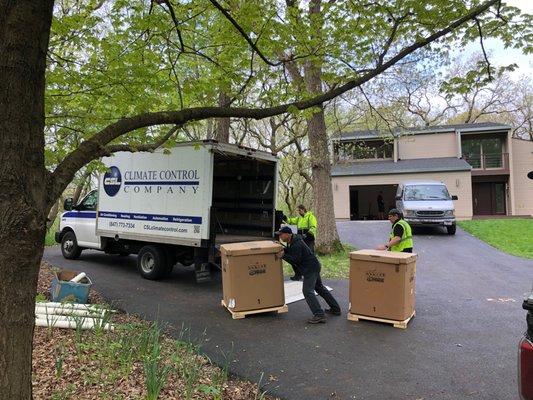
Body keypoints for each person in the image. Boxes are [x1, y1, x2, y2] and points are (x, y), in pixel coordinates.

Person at [275, 226, 341, 324]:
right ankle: (335, 309)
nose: (280, 236)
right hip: (313, 266)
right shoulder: (293, 241)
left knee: (307, 291)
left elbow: (295, 260)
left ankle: (319, 315)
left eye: (281, 234)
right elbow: (294, 253)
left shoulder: (296, 243)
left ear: (288, 234)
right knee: (319, 288)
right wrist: (283, 247)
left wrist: (283, 255)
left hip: (310, 269)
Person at [284, 205, 317, 281]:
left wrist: (306, 235)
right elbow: (290, 221)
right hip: (301, 238)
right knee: (297, 257)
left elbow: (313, 227)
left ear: (303, 209)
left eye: (299, 210)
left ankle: (310, 274)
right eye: (298, 211)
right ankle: (298, 275)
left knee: (309, 256)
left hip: (309, 239)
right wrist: (285, 218)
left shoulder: (310, 217)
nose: (298, 212)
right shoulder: (298, 218)